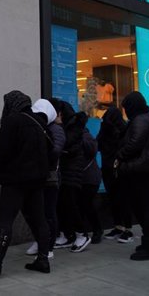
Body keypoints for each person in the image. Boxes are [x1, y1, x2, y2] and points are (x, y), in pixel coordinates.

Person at [0, 91, 51, 279]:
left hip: (15, 180)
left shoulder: (12, 121)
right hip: (36, 180)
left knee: (6, 221)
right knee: (39, 219)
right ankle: (43, 259)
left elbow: (1, 150)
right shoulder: (39, 123)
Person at [114, 91, 149, 260]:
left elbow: (134, 143)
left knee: (142, 207)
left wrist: (119, 155)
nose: (125, 111)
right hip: (148, 168)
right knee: (146, 206)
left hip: (140, 169)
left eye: (126, 107)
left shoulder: (141, 120)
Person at [25, 98, 65, 259]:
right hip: (39, 176)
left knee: (48, 212)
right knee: (36, 212)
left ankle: (48, 246)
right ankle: (41, 241)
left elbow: (56, 150)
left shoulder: (55, 129)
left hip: (50, 177)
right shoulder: (42, 127)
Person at [54, 100, 92, 253]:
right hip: (65, 170)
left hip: (72, 171)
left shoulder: (75, 125)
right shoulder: (67, 126)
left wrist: (58, 126)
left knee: (70, 203)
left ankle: (81, 233)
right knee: (62, 204)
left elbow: (68, 143)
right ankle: (67, 234)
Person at [97, 106, 133, 243]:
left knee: (121, 199)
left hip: (118, 168)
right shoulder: (108, 128)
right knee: (115, 198)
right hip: (110, 168)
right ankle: (119, 226)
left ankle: (127, 228)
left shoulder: (123, 130)